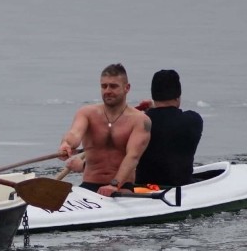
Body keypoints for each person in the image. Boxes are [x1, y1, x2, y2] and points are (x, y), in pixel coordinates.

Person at [58, 63, 151, 196]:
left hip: (121, 187)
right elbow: (74, 133)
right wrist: (66, 144)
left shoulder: (140, 120)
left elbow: (133, 156)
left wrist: (114, 184)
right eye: (104, 86)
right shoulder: (87, 113)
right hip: (89, 185)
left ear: (127, 88)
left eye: (113, 86)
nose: (107, 90)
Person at [134, 69, 203, 187]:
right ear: (178, 96)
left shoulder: (139, 122)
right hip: (181, 187)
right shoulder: (194, 120)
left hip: (144, 188)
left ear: (153, 95)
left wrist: (150, 109)